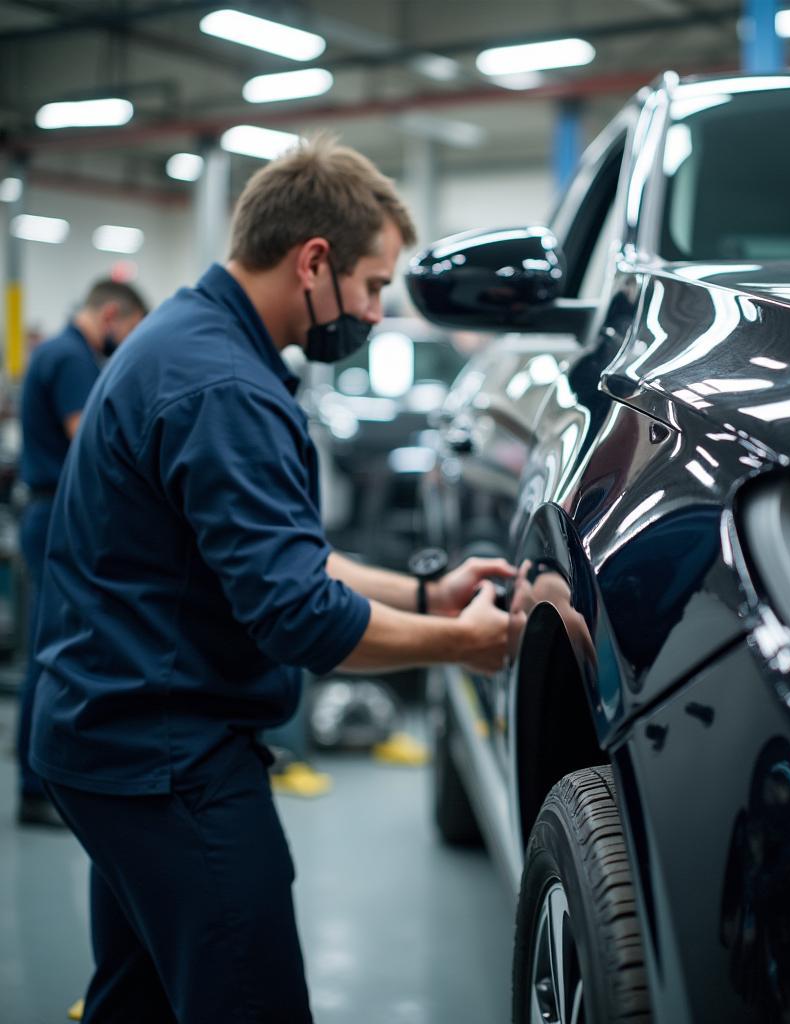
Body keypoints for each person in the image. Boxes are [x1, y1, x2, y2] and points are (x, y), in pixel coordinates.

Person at [28, 137, 514, 1023]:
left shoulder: (192, 339)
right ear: (314, 261)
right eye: (371, 287)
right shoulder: (224, 387)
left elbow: (286, 560)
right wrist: (464, 645)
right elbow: (298, 615)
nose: (373, 314)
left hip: (113, 741)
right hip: (169, 763)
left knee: (138, 1002)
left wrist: (421, 598)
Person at [16, 279, 147, 827]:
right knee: (51, 652)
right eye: (131, 333)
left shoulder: (53, 352)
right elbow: (90, 439)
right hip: (55, 516)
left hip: (43, 512)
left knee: (48, 647)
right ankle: (34, 786)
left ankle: (36, 776)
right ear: (111, 314)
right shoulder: (71, 358)